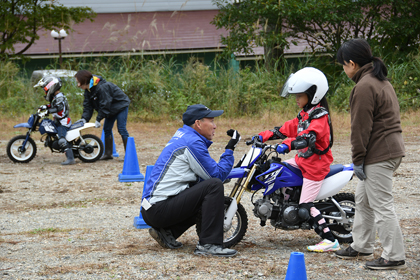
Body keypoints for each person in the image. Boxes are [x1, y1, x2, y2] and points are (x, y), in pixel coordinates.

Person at [334, 38, 406, 270]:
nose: (344, 70)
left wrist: (358, 160)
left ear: (352, 63)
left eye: (343, 65)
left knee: (382, 204)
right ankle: (361, 245)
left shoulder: (364, 86)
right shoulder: (379, 80)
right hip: (389, 150)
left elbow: (360, 128)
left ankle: (394, 256)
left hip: (379, 154)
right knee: (363, 201)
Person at [255, 67, 339, 253]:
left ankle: (329, 240)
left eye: (299, 95)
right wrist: (263, 136)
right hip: (302, 161)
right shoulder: (305, 115)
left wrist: (288, 144)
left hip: (315, 167)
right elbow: (285, 129)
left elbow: (308, 137)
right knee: (276, 169)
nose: (296, 99)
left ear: (313, 94)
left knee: (305, 207)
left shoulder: (320, 117)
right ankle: (285, 201)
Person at [140, 104, 241, 257]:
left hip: (153, 208)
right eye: (212, 121)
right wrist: (230, 148)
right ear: (198, 123)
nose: (215, 126)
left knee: (203, 187)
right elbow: (216, 176)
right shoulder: (192, 142)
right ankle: (209, 244)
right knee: (214, 186)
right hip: (158, 210)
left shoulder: (184, 135)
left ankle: (168, 232)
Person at [74, 70, 130, 160]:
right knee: (107, 129)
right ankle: (108, 154)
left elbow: (105, 104)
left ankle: (129, 155)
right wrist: (84, 119)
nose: (78, 85)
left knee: (122, 129)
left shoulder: (102, 87)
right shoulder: (88, 90)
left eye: (79, 82)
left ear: (84, 81)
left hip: (120, 106)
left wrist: (98, 119)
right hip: (110, 109)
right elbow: (88, 107)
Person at [34, 75, 75, 165]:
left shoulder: (59, 97)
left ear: (50, 87)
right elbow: (53, 105)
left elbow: (59, 108)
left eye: (44, 89)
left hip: (63, 123)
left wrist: (47, 112)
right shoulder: (57, 97)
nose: (44, 91)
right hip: (58, 121)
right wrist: (45, 107)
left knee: (61, 140)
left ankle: (71, 158)